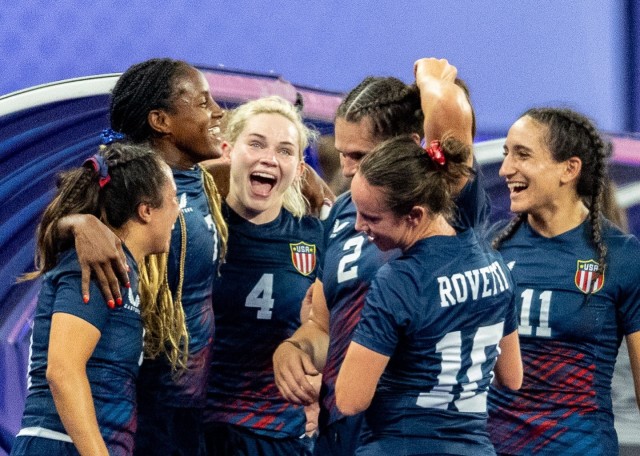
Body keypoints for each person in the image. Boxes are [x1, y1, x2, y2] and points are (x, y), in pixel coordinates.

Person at [272, 58, 491, 455]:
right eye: (343, 155)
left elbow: (447, 110)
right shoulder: (342, 214)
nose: (349, 170)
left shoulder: (446, 200)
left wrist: (430, 77)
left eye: (361, 155)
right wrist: (295, 350)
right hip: (339, 433)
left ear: (409, 145)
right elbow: (322, 326)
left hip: (413, 437)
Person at [58, 58, 229, 456]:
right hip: (137, 407)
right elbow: (51, 227)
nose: (218, 110)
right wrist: (77, 223)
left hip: (189, 408)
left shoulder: (204, 179)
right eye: (203, 102)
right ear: (160, 120)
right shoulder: (120, 183)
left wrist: (307, 179)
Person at [335, 135, 521, 455]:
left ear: (415, 216)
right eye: (357, 211)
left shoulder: (399, 280)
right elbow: (512, 377)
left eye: (371, 217)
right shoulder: (495, 263)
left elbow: (350, 399)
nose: (358, 225)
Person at [487, 108, 640, 455]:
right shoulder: (490, 249)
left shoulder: (624, 258)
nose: (506, 169)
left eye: (522, 154)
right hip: (495, 447)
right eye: (506, 154)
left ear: (569, 169)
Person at [11, 142, 180, 456]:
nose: (178, 210)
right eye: (172, 200)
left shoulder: (120, 266)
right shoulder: (97, 264)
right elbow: (62, 371)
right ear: (146, 211)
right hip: (59, 445)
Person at [202, 96, 323, 455]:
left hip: (279, 438)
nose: (269, 158)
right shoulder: (194, 228)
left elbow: (332, 328)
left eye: (285, 151)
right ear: (227, 152)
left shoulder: (315, 238)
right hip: (198, 433)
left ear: (300, 169)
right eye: (255, 144)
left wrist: (318, 380)